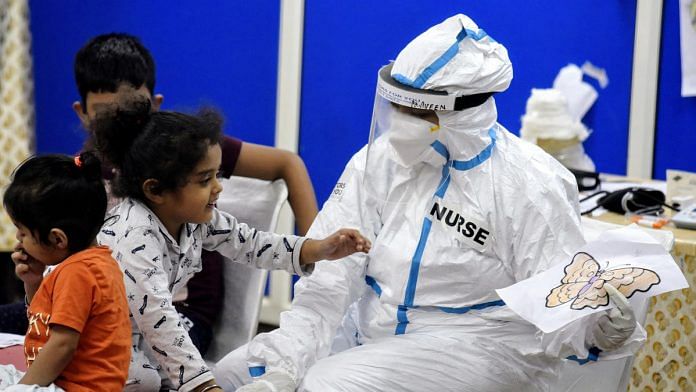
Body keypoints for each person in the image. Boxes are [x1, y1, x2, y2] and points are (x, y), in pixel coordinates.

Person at [214, 14, 643, 391]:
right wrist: (282, 365)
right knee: (232, 374)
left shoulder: (529, 185)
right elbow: (330, 278)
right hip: (372, 327)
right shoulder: (379, 161)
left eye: (416, 114)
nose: (398, 124)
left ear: (463, 116)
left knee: (326, 384)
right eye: (395, 106)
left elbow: (559, 299)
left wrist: (600, 329)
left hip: (481, 344)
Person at [91, 95, 371, 392]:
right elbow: (158, 318)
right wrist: (207, 388)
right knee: (142, 377)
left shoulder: (194, 219)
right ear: (156, 190)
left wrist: (318, 248)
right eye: (204, 180)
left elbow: (249, 243)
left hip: (134, 338)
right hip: (90, 342)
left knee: (158, 371)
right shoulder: (133, 235)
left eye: (218, 175)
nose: (218, 187)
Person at [71, 33, 319, 355]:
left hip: (182, 313)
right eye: (107, 114)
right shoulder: (84, 170)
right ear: (83, 113)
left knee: (107, 357)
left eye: (132, 110)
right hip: (116, 312)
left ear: (155, 104)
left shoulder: (184, 149)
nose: (123, 125)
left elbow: (287, 163)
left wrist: (318, 247)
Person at [0, 152, 130, 391]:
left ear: (57, 238)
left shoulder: (79, 272)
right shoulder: (87, 263)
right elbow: (45, 321)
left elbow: (62, 345)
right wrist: (34, 281)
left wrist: (22, 388)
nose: (18, 238)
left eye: (23, 232)